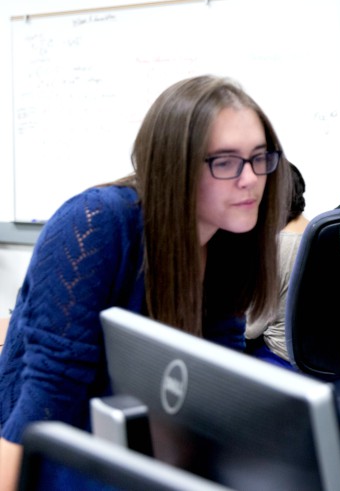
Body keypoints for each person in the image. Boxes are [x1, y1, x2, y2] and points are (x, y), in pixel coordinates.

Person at [0, 75, 289, 490]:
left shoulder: (233, 241)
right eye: (225, 162)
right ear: (176, 165)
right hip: (64, 456)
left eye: (260, 157)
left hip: (145, 453)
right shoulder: (95, 225)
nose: (250, 179)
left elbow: (213, 388)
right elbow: (44, 405)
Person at [245, 163, 308, 369]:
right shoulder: (321, 231)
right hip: (332, 363)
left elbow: (250, 328)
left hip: (282, 360)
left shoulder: (274, 248)